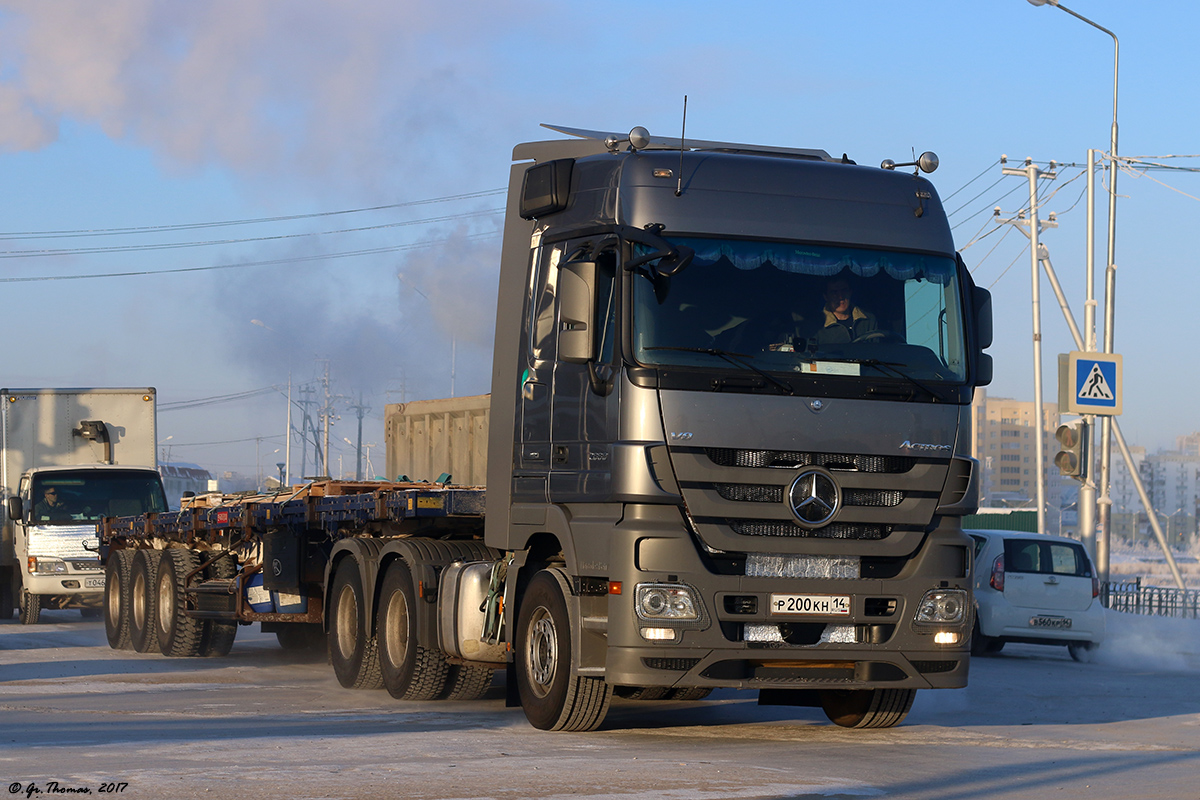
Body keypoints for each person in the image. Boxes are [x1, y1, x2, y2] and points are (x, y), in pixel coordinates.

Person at [813, 276, 879, 345]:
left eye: (844, 290)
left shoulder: (868, 319)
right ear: (826, 296)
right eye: (834, 292)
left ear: (850, 292)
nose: (840, 296)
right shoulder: (816, 326)